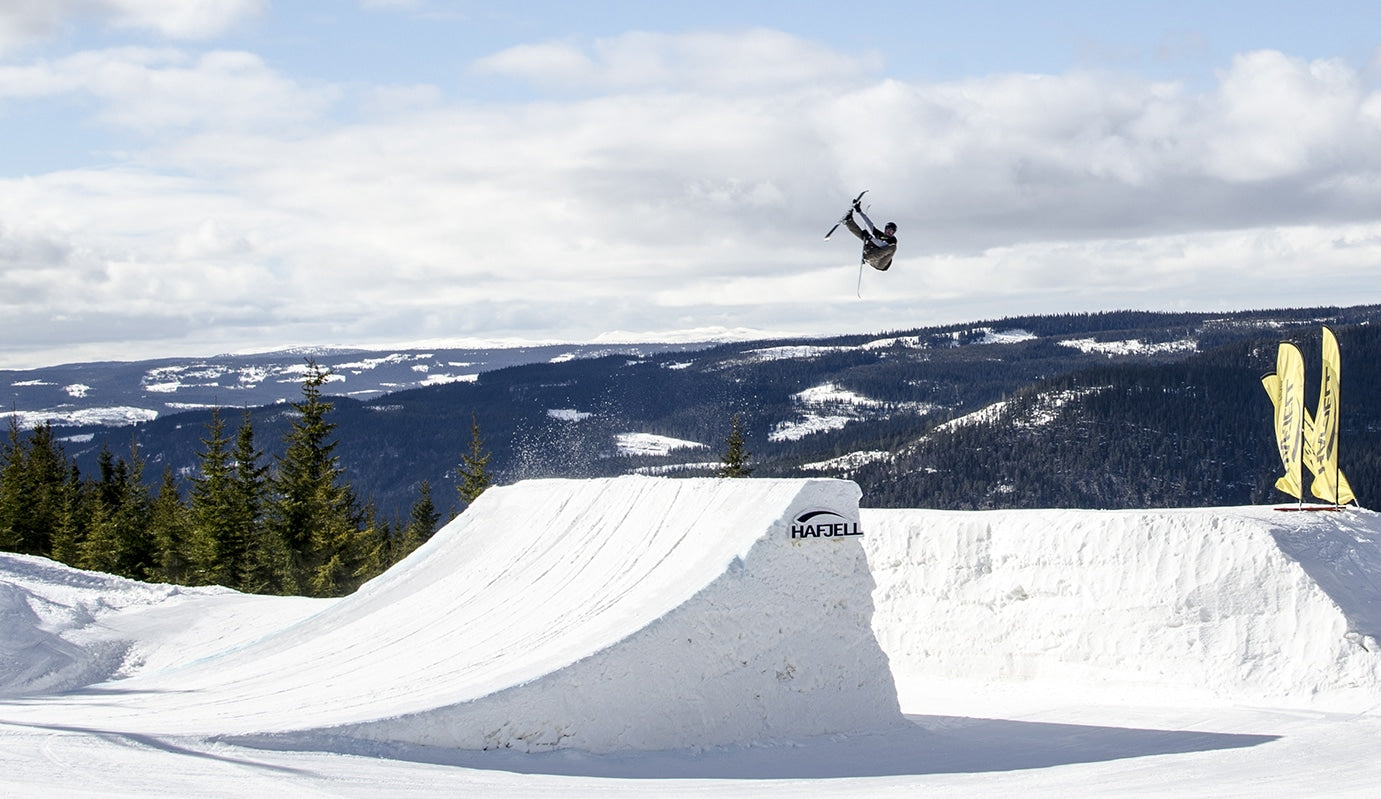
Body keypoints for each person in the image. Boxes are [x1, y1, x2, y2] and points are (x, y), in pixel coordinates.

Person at [840, 198, 897, 271]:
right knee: (865, 236)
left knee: (893, 247)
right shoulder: (880, 235)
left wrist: (870, 237)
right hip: (873, 259)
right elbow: (870, 224)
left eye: (892, 232)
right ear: (885, 229)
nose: (889, 232)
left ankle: (868, 257)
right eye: (888, 230)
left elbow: (882, 245)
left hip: (881, 264)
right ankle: (848, 221)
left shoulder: (892, 240)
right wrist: (859, 211)